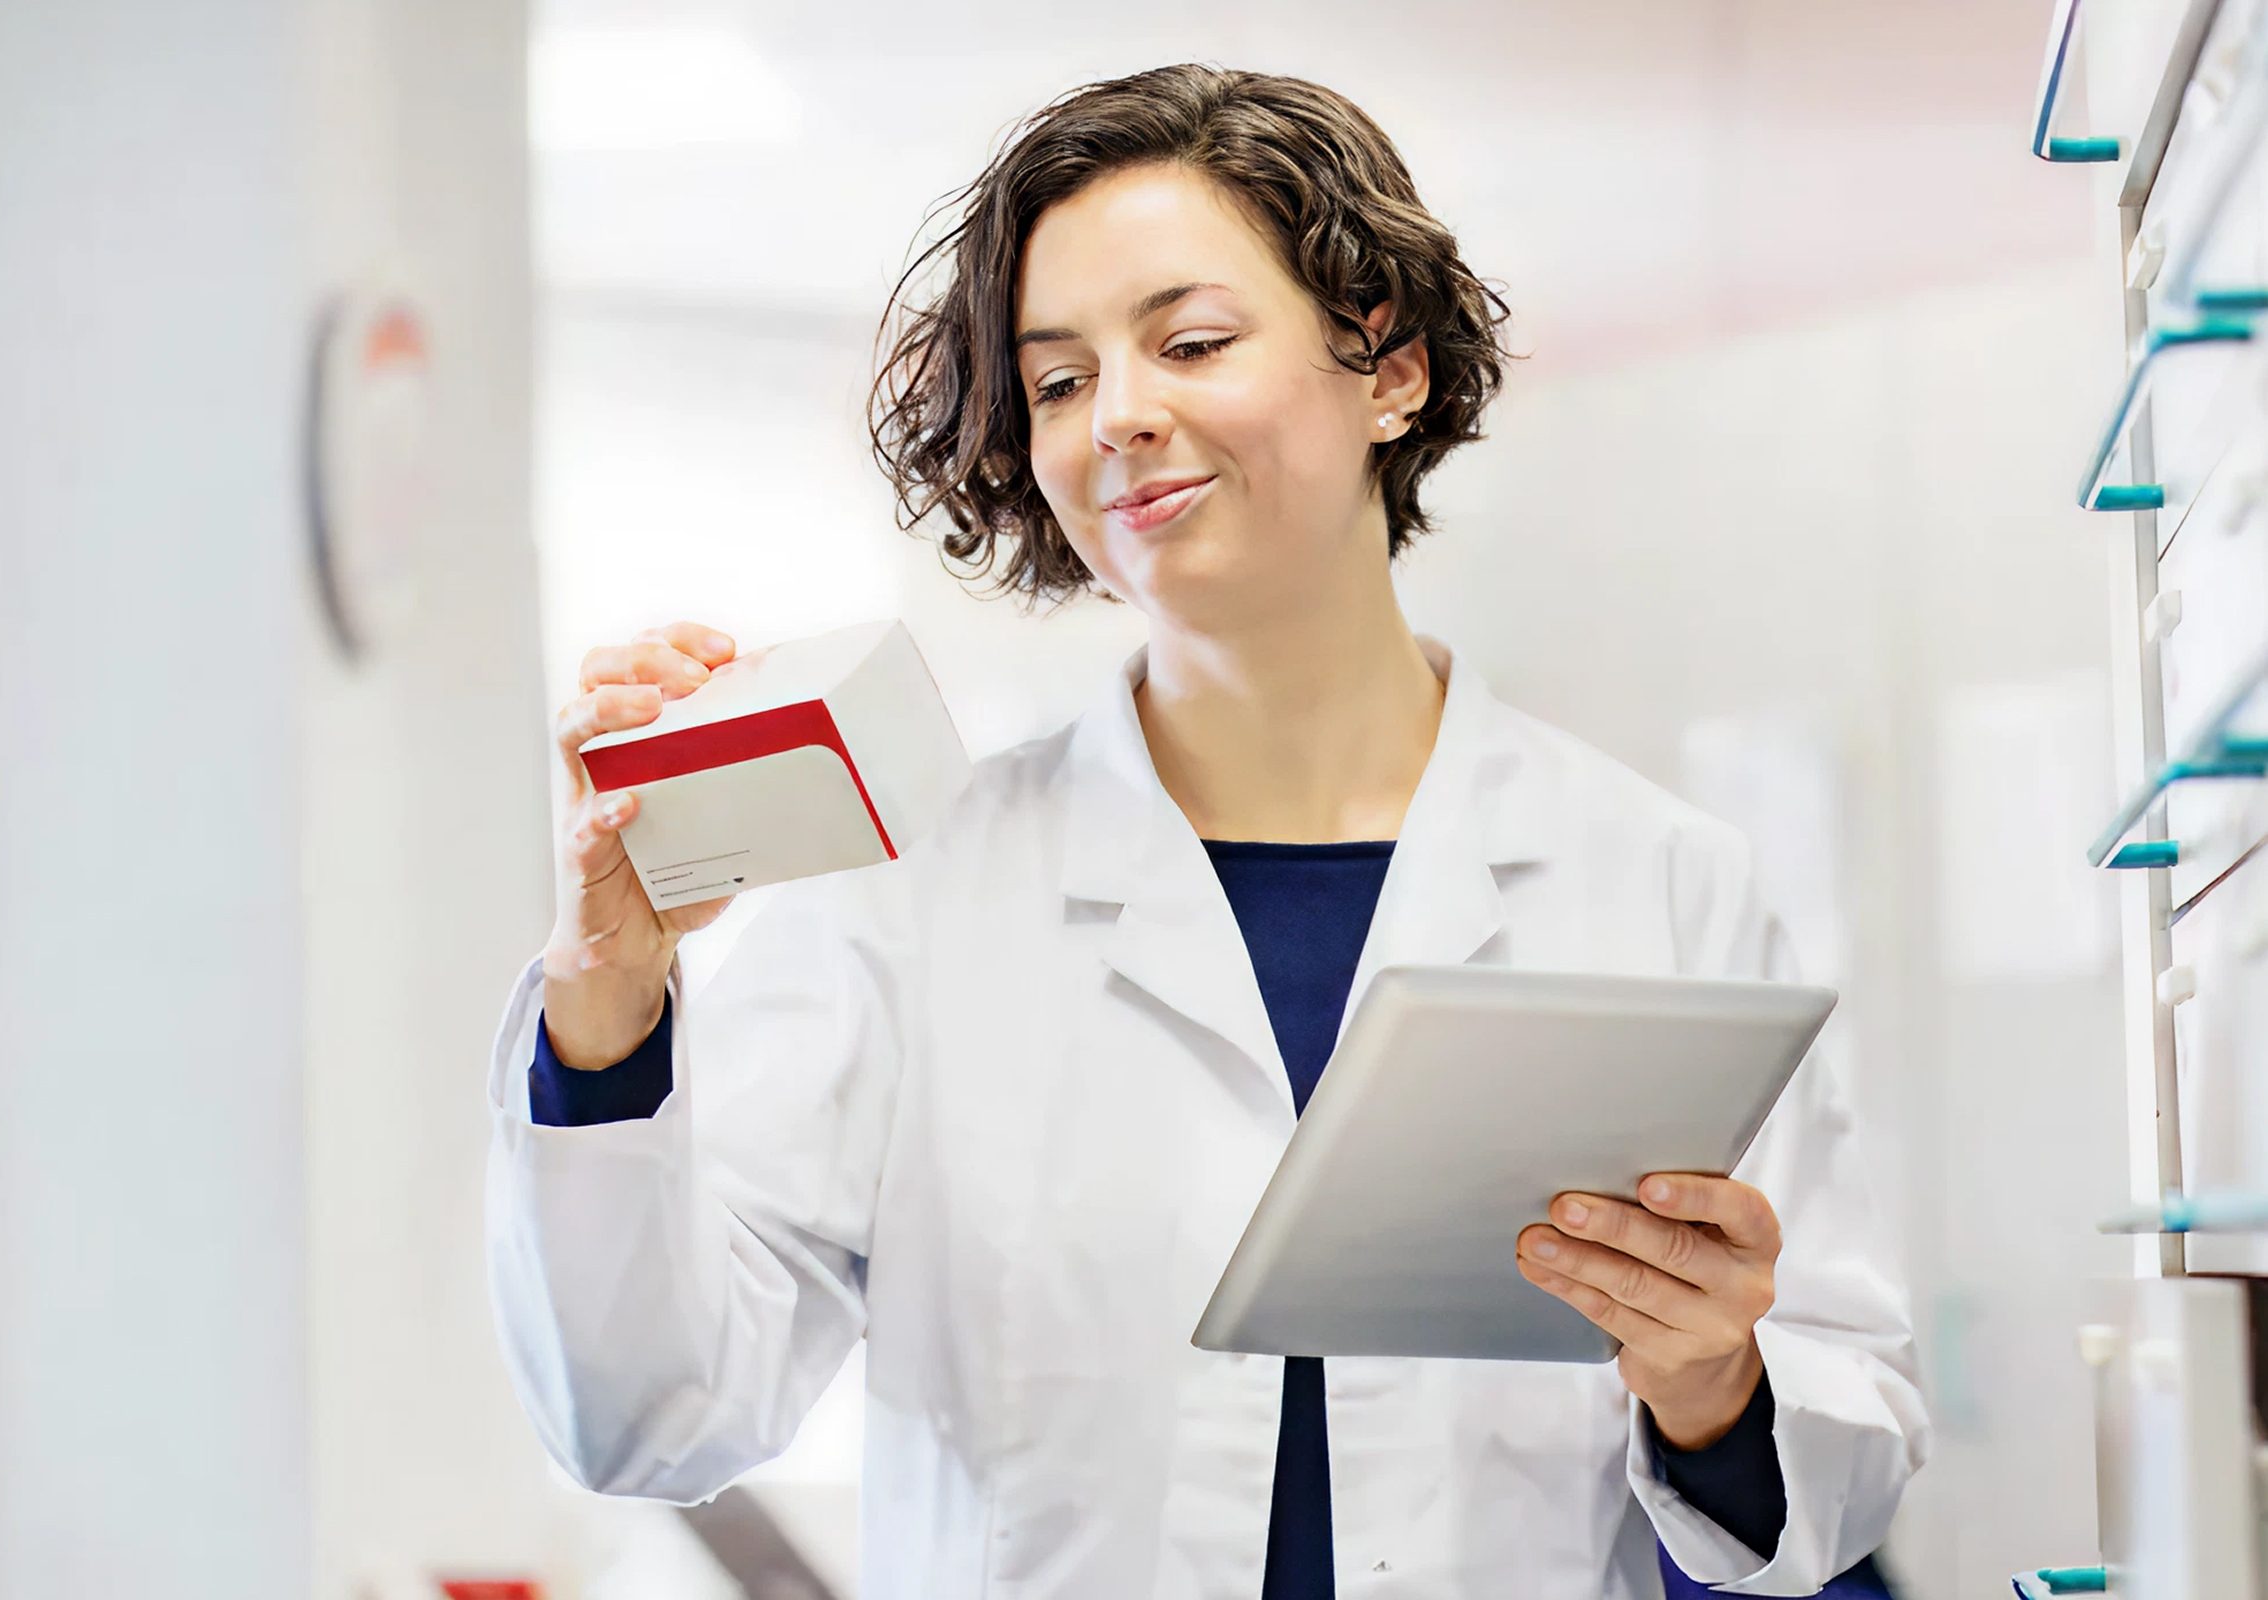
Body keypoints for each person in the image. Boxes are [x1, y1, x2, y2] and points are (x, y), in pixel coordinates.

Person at [486, 64, 1926, 1599]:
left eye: (1190, 342)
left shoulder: (1656, 883)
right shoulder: (910, 898)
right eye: (1056, 380)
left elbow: (1832, 1473)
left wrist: (1710, 1384)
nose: (1119, 419)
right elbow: (641, 1417)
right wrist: (608, 1001)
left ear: (1391, 370)